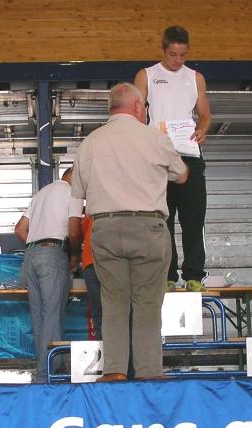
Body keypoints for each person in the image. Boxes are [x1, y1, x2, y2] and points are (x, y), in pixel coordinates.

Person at [72, 83, 188, 381]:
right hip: (148, 228)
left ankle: (114, 371)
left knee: (113, 303)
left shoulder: (90, 143)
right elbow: (182, 175)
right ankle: (148, 372)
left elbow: (77, 194)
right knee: (147, 303)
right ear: (137, 106)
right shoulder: (154, 137)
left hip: (106, 228)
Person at [135, 25, 211, 292]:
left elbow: (204, 115)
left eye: (183, 55)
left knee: (194, 218)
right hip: (158, 157)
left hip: (189, 154)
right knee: (162, 219)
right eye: (172, 54)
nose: (178, 60)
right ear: (163, 49)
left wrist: (203, 129)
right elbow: (136, 112)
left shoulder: (195, 78)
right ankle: (166, 275)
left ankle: (193, 275)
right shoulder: (147, 75)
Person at [14, 168, 83, 382]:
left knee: (39, 319)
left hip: (30, 257)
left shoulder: (41, 193)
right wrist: (74, 256)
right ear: (76, 178)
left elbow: (19, 229)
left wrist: (36, 245)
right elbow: (74, 231)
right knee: (52, 316)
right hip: (53, 254)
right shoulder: (73, 193)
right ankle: (47, 376)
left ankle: (45, 371)